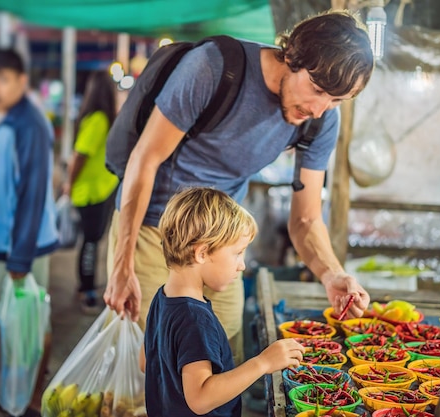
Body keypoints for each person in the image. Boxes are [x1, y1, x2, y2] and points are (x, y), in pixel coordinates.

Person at [104, 9, 374, 364]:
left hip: (223, 245)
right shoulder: (213, 68)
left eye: (336, 100)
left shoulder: (320, 121)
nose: (320, 109)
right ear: (292, 56)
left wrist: (332, 274)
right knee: (152, 367)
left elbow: (306, 220)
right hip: (156, 233)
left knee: (222, 358)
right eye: (318, 89)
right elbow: (145, 160)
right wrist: (122, 265)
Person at [142, 187, 305, 417]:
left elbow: (146, 362)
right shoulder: (195, 319)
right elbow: (200, 399)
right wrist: (263, 363)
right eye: (237, 253)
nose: (242, 265)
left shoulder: (162, 298)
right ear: (201, 253)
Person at [0, 48, 58, 416]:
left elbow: (33, 193)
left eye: (2, 79)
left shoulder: (30, 125)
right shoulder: (1, 118)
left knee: (31, 324)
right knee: (9, 325)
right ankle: (7, 390)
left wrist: (19, 256)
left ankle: (34, 396)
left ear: (22, 81)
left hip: (24, 248)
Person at [62, 71, 119, 314]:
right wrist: (69, 184)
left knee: (91, 241)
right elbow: (79, 155)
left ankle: (85, 286)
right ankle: (86, 289)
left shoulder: (99, 118)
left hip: (98, 189)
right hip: (91, 191)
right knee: (90, 242)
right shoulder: (99, 119)